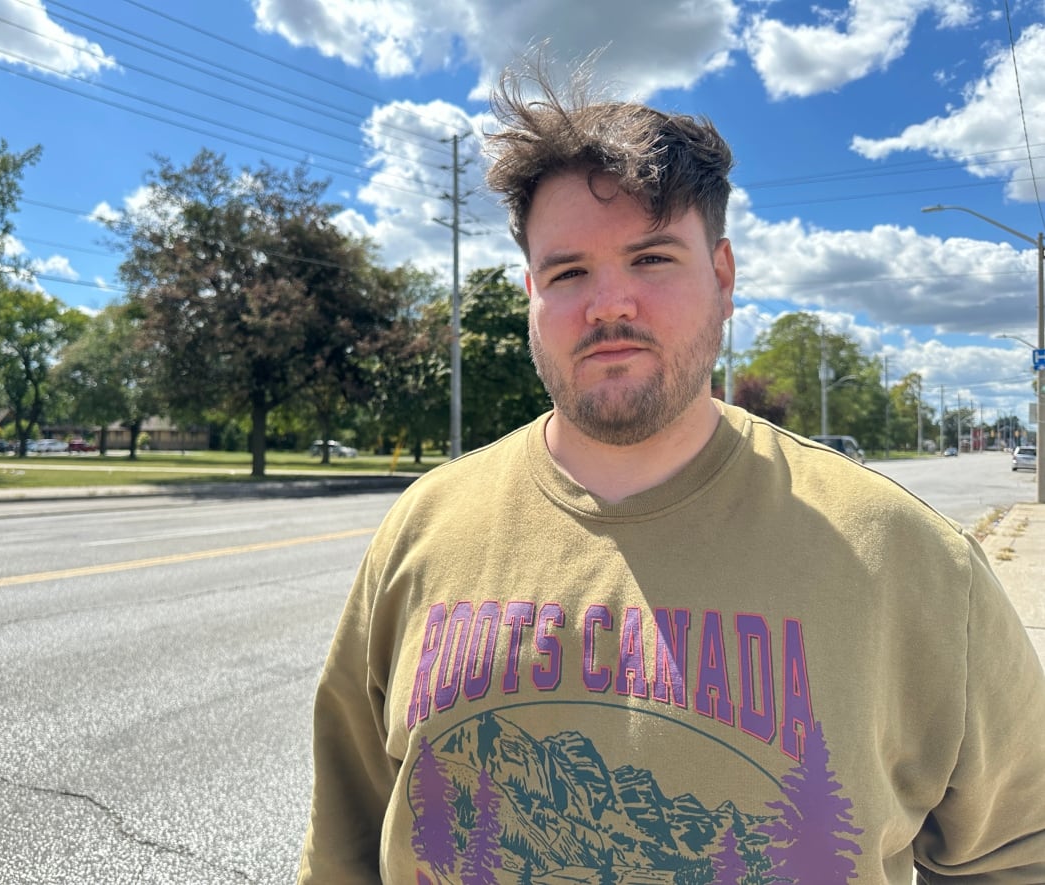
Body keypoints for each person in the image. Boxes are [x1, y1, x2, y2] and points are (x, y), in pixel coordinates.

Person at [297, 59, 1045, 884]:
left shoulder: (911, 558)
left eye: (651, 258)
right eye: (568, 272)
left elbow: (1020, 850)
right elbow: (344, 845)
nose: (609, 303)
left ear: (722, 277)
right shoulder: (422, 530)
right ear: (532, 295)